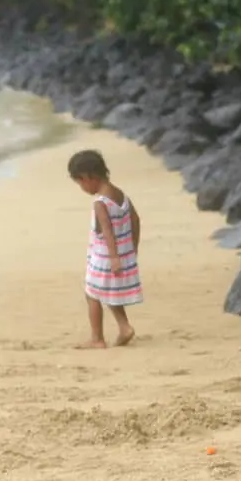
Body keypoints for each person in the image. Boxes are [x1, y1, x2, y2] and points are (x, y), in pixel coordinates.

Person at [67, 149, 142, 348]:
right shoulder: (120, 195)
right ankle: (124, 326)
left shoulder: (100, 203)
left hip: (105, 257)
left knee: (92, 294)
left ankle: (97, 339)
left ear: (88, 177)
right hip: (122, 253)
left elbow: (107, 231)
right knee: (109, 292)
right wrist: (132, 248)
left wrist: (115, 257)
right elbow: (135, 220)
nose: (82, 187)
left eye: (80, 183)